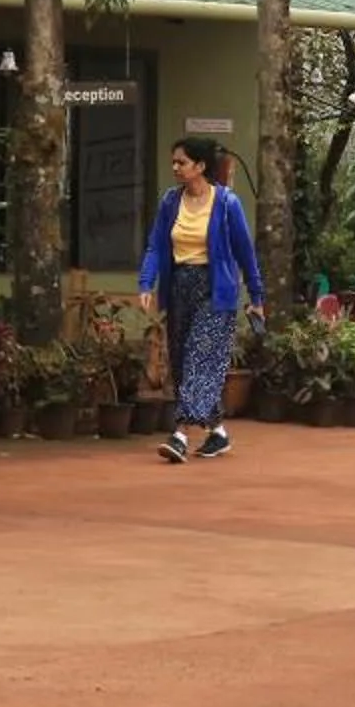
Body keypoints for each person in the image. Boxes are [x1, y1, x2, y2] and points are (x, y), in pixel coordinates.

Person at [137, 133, 266, 461]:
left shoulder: (226, 204)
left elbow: (245, 253)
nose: (175, 168)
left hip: (216, 290)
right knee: (182, 364)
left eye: (182, 162)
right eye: (173, 162)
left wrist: (256, 296)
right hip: (179, 287)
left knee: (199, 358)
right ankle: (218, 433)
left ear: (200, 166)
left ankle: (179, 435)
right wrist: (146, 283)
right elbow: (155, 245)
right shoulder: (170, 201)